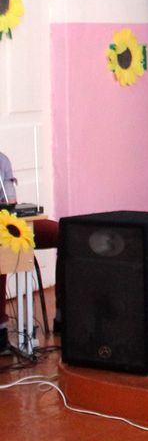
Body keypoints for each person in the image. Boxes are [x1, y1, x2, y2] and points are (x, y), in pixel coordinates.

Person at [0, 151, 62, 353]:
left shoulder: (2, 160)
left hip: (8, 222)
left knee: (66, 234)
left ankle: (64, 315)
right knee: (2, 250)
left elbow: (10, 202)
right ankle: (0, 330)